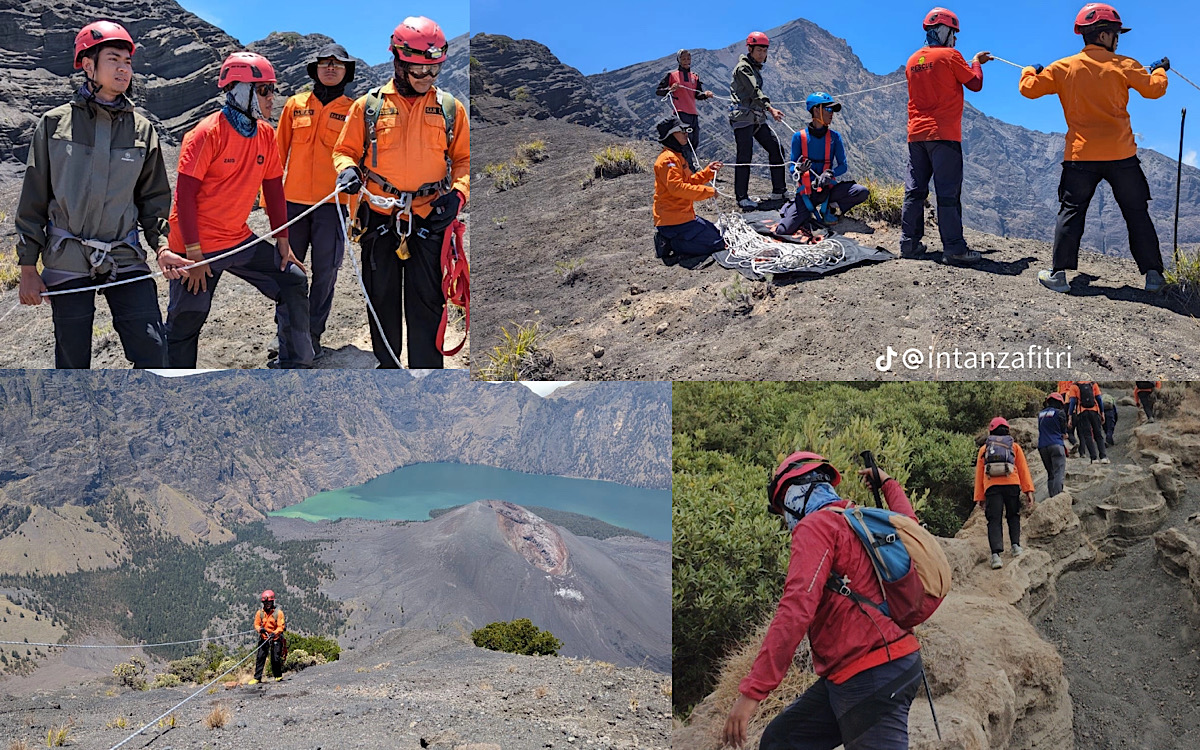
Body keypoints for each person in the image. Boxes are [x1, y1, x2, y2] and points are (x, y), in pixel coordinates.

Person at [722, 452, 924, 750]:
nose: (785, 518)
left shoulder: (815, 527)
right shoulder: (857, 517)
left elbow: (795, 610)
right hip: (876, 670)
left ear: (792, 496)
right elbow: (911, 526)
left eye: (782, 508)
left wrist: (752, 693)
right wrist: (888, 483)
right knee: (781, 741)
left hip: (871, 675)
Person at [15, 21, 182, 369]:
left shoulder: (142, 129)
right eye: (113, 59)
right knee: (73, 360)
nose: (124, 68)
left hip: (123, 253)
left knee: (153, 348)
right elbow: (33, 198)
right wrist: (28, 266)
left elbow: (153, 199)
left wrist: (162, 246)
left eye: (128, 61)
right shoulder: (52, 124)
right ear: (88, 65)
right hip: (66, 258)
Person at [332, 16, 470, 369]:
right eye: (418, 71)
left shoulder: (451, 109)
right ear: (398, 61)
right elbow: (344, 149)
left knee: (427, 302)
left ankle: (428, 376)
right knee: (382, 299)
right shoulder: (369, 106)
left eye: (434, 71)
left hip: (430, 218)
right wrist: (347, 170)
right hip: (379, 218)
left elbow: (463, 160)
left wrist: (458, 194)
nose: (427, 79)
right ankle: (389, 371)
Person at [162, 52, 312, 368]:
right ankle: (172, 390)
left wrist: (283, 241)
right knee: (186, 322)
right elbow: (184, 198)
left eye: (272, 88)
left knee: (293, 279)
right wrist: (194, 255)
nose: (273, 97)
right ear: (239, 91)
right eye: (264, 90)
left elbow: (273, 190)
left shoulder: (265, 134)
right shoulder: (206, 133)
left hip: (237, 239)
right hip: (197, 247)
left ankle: (296, 363)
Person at [1020, 3, 1169, 294]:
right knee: (1137, 213)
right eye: (1116, 34)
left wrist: (1029, 70)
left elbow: (1028, 89)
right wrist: (1160, 71)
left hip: (1080, 156)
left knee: (1071, 211)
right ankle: (1153, 277)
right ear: (1103, 35)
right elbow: (1154, 90)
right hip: (1122, 155)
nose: (1117, 39)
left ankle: (1058, 275)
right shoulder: (1125, 65)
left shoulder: (1064, 67)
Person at [274, 43, 357, 363]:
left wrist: (353, 211)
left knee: (325, 274)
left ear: (346, 71)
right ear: (315, 69)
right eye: (325, 63)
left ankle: (312, 334)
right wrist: (271, 203)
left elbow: (356, 160)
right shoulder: (294, 105)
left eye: (338, 64)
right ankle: (285, 334)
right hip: (292, 206)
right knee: (288, 271)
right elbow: (278, 154)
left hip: (332, 206)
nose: (331, 68)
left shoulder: (354, 110)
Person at [899, 7, 991, 265]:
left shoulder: (912, 60)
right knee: (947, 193)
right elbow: (975, 83)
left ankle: (909, 243)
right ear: (945, 31)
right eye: (954, 33)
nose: (955, 39)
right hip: (944, 134)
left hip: (916, 135)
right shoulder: (951, 56)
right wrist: (975, 61)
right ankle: (954, 248)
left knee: (915, 191)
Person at [777, 92, 871, 235]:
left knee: (861, 192)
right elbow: (792, 166)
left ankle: (831, 208)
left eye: (832, 110)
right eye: (828, 109)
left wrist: (830, 173)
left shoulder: (835, 137)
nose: (831, 113)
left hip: (829, 190)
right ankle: (800, 208)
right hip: (807, 192)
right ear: (816, 110)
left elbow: (842, 166)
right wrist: (799, 169)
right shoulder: (799, 137)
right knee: (783, 230)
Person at [729, 32, 788, 210]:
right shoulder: (743, 68)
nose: (762, 54)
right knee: (744, 155)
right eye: (759, 50)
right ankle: (742, 197)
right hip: (743, 118)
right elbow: (754, 91)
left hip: (755, 118)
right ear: (750, 49)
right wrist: (770, 109)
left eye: (764, 50)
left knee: (776, 147)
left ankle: (779, 190)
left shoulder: (753, 68)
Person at [652, 117, 725, 259]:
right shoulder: (668, 160)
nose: (686, 134)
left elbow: (689, 181)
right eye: (681, 131)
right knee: (716, 244)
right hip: (673, 220)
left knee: (716, 232)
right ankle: (670, 243)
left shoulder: (677, 157)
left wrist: (708, 172)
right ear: (671, 136)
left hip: (683, 216)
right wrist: (708, 192)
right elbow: (677, 188)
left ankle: (674, 238)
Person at [974, 417, 1035, 569]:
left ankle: (996, 556)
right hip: (1012, 484)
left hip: (992, 487)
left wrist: (980, 497)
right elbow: (1023, 469)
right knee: (1013, 515)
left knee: (994, 519)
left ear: (991, 431)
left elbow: (979, 475)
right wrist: (1028, 491)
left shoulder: (984, 449)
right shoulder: (1014, 447)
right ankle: (1015, 546)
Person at [655, 50, 713, 151]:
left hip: (693, 114)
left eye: (688, 58)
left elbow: (697, 94)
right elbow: (658, 91)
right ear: (679, 60)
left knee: (694, 141)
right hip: (681, 114)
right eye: (683, 59)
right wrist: (670, 89)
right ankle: (686, 163)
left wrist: (706, 95)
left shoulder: (695, 76)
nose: (686, 61)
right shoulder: (672, 75)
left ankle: (689, 164)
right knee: (685, 142)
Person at [1068, 379, 1110, 464]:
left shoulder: (1074, 386)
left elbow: (1072, 402)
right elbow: (1099, 399)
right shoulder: (1093, 384)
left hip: (1082, 412)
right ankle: (1103, 457)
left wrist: (1070, 416)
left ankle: (1094, 458)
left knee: (1087, 435)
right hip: (1094, 411)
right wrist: (1102, 413)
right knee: (1098, 434)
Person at [1038, 392, 1071, 498]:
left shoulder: (1040, 414)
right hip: (1056, 444)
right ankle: (1057, 498)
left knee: (1050, 474)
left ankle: (1051, 496)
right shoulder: (1059, 413)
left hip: (1042, 446)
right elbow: (1064, 432)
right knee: (1058, 472)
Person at [251, 589, 285, 684]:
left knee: (275, 658)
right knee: (260, 657)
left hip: (275, 638)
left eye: (269, 602)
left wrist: (275, 633)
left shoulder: (278, 613)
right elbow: (256, 624)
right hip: (264, 638)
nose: (267, 604)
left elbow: (281, 626)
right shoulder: (260, 613)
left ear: (272, 601)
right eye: (266, 603)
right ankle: (257, 678)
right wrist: (259, 629)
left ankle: (278, 676)